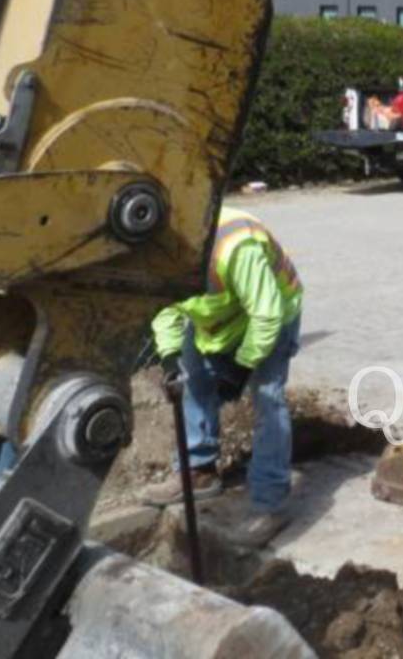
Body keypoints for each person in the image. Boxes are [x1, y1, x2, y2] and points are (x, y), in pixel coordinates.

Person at [141, 206, 303, 548]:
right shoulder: (162, 253)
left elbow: (266, 313)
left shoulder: (237, 247)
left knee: (268, 399)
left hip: (273, 311)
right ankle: (198, 470)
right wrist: (170, 357)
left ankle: (268, 504)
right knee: (192, 378)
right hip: (218, 317)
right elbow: (163, 307)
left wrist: (242, 366)